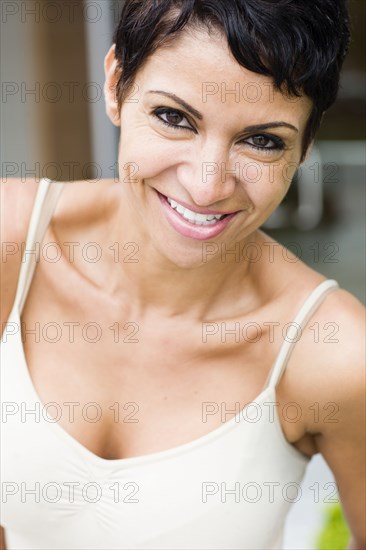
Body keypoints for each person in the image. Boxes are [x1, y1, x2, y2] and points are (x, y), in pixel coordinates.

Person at [1, 0, 365, 548]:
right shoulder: (11, 243)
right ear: (116, 82)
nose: (207, 184)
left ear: (305, 147)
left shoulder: (334, 352)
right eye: (174, 117)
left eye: (262, 140)